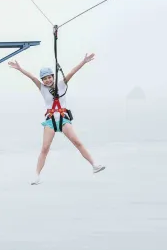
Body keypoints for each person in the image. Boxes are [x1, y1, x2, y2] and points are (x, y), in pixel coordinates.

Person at [8, 55, 105, 185]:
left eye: (49, 77)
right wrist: (20, 69)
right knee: (45, 148)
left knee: (77, 142)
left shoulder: (62, 85)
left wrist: (84, 61)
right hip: (50, 121)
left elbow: (72, 72)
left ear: (53, 77)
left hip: (63, 119)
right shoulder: (42, 88)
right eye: (45, 78)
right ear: (43, 80)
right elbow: (32, 77)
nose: (48, 80)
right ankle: (37, 175)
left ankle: (94, 165)